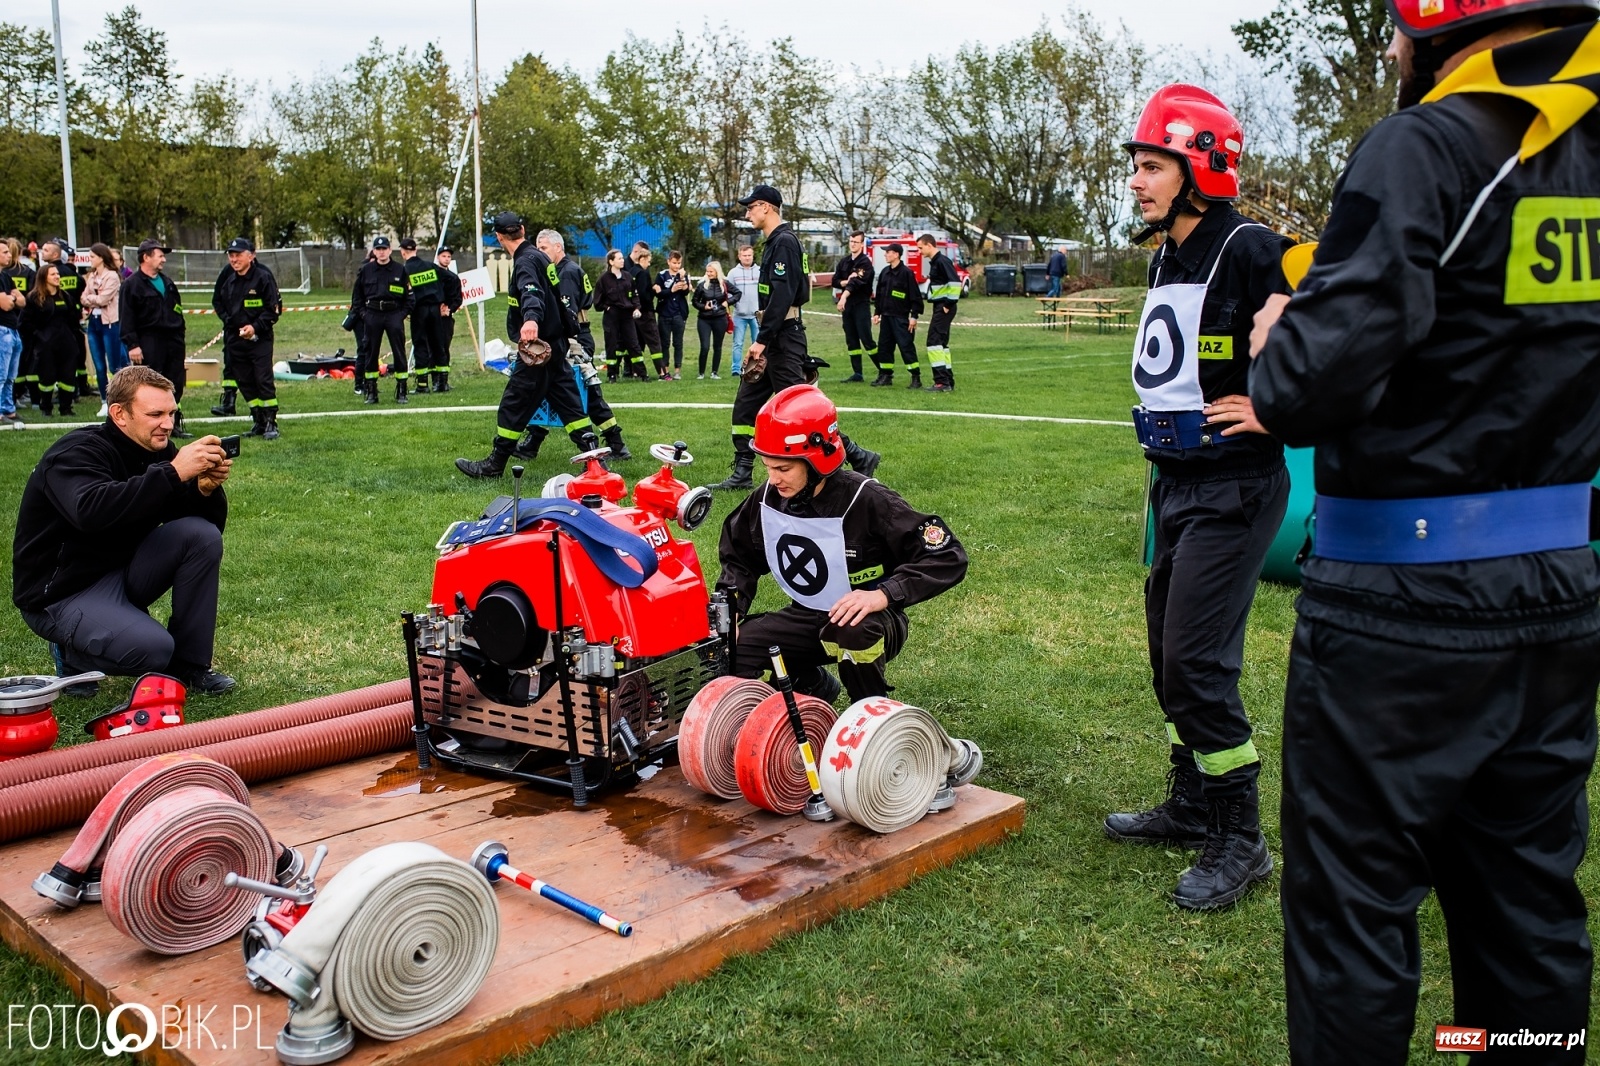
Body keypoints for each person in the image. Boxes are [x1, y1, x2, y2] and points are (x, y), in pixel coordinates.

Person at [1247, 3, 1600, 1059]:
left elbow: (1306, 389)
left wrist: (1279, 335)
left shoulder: (1429, 143)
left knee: (1354, 917)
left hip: (1400, 606)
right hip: (1556, 587)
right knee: (1526, 911)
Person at [1100, 84, 1293, 912]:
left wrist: (1277, 402)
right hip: (1174, 487)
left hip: (1234, 488)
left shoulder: (1251, 245)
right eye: (1137, 168)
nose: (1137, 183)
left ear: (1201, 169)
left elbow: (1345, 296)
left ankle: (1241, 841)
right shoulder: (1166, 253)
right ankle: (1190, 802)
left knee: (1196, 663)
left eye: (1151, 167)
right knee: (1165, 656)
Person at [715, 384, 967, 704]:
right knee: (730, 650)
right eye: (768, 467)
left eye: (783, 468)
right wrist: (730, 615)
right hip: (806, 616)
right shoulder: (766, 500)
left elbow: (947, 556)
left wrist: (882, 595)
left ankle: (871, 714)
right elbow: (739, 558)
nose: (774, 479)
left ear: (817, 460)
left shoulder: (869, 500)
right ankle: (812, 688)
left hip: (873, 620)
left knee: (852, 631)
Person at [12, 365, 236, 695]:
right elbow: (90, 512)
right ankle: (73, 653)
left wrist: (203, 490)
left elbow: (207, 526)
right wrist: (173, 474)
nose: (168, 424)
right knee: (155, 651)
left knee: (200, 536)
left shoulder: (158, 450)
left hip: (117, 571)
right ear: (119, 414)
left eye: (172, 413)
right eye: (155, 414)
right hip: (61, 593)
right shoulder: (75, 453)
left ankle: (191, 666)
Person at [708, 185, 880, 491]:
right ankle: (743, 471)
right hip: (776, 335)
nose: (748, 213)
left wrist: (762, 339)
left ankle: (857, 455)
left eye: (751, 207)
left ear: (767, 207)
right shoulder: (775, 242)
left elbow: (784, 295)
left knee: (802, 412)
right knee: (746, 405)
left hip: (783, 338)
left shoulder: (784, 242)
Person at [454, 212, 596, 479]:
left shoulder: (525, 262)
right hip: (556, 345)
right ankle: (594, 461)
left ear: (498, 236)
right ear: (522, 228)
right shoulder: (540, 256)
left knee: (513, 403)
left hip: (538, 347)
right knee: (569, 404)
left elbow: (532, 292)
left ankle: (494, 465)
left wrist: (530, 321)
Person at [518, 228, 632, 462]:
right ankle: (533, 442)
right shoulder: (558, 270)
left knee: (585, 393)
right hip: (569, 337)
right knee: (551, 390)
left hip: (574, 339)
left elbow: (566, 312)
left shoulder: (566, 273)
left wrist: (566, 344)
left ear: (558, 248)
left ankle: (616, 443)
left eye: (544, 248)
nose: (540, 253)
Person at [210, 237, 283, 440]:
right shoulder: (229, 280)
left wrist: (254, 327)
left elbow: (273, 310)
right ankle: (257, 419)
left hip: (260, 338)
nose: (234, 259)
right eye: (231, 256)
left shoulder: (262, 277)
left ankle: (271, 421)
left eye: (238, 255)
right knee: (244, 380)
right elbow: (219, 303)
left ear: (250, 256)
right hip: (235, 339)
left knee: (263, 378)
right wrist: (229, 322)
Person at [119, 240, 192, 438]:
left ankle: (173, 423)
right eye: (160, 255)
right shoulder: (131, 285)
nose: (164, 260)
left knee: (175, 381)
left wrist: (180, 334)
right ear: (146, 257)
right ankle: (151, 424)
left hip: (173, 341)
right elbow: (127, 317)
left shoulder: (167, 282)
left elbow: (177, 310)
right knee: (152, 383)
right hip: (149, 340)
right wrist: (133, 344)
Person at [348, 236, 413, 404]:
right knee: (370, 353)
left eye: (384, 249)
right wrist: (364, 314)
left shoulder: (400, 270)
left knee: (399, 352)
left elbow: (410, 297)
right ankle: (371, 390)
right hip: (372, 314)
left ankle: (402, 390)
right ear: (374, 252)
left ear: (390, 251)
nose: (382, 252)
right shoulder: (366, 270)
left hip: (394, 314)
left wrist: (401, 315)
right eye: (378, 249)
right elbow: (357, 298)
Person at [22, 265, 83, 417]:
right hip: (45, 345)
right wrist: (39, 336)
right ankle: (46, 408)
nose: (57, 276)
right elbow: (24, 323)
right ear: (44, 278)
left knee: (68, 376)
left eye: (57, 274)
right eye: (53, 274)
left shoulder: (65, 296)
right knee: (47, 377)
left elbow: (73, 319)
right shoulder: (34, 298)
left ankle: (66, 408)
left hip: (66, 343)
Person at [38, 238, 89, 398]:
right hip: (74, 323)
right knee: (77, 357)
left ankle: (59, 395)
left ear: (55, 254)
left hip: (56, 327)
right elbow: (82, 288)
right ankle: (81, 387)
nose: (42, 253)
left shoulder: (46, 275)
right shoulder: (73, 274)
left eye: (45, 250)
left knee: (60, 361)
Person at [79, 244, 125, 417]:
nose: (90, 260)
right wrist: (92, 299)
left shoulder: (112, 276)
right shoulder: (92, 276)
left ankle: (120, 398)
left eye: (92, 256)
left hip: (110, 324)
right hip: (94, 322)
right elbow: (84, 297)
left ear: (101, 257)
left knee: (114, 364)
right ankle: (105, 402)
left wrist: (91, 299)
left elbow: (104, 299)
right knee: (99, 365)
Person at [400, 238, 446, 394]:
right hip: (435, 309)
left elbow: (403, 293)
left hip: (418, 310)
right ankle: (442, 383)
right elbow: (451, 279)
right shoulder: (430, 266)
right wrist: (448, 303)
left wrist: (404, 310)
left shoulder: (404, 270)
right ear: (416, 250)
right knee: (437, 343)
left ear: (402, 252)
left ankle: (422, 385)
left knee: (420, 344)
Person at [871, 244, 922, 387]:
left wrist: (914, 316)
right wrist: (877, 312)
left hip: (900, 318)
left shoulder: (906, 273)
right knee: (884, 347)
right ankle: (886, 376)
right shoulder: (884, 272)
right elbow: (880, 295)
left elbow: (915, 297)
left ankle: (915, 377)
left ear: (897, 255)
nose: (885, 255)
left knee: (906, 347)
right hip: (886, 317)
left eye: (888, 252)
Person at [916, 234, 961, 392]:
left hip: (944, 306)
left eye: (921, 247)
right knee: (941, 344)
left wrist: (948, 304)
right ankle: (948, 380)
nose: (919, 251)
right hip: (940, 305)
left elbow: (955, 283)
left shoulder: (942, 261)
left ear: (929, 245)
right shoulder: (936, 262)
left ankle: (941, 382)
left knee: (933, 342)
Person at [832, 231, 876, 383]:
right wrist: (845, 282)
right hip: (848, 307)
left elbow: (856, 283)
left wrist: (843, 295)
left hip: (860, 305)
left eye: (856, 242)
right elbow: (835, 281)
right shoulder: (844, 262)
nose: (852, 244)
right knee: (851, 339)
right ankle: (857, 373)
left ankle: (884, 370)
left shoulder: (865, 263)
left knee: (866, 339)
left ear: (862, 244)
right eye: (851, 241)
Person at [595, 249, 641, 384]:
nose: (622, 261)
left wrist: (636, 308)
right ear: (611, 262)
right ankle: (612, 374)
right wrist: (607, 308)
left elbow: (635, 295)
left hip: (627, 315)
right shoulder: (603, 279)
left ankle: (642, 374)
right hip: (611, 316)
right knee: (612, 344)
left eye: (622, 258)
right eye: (619, 259)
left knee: (633, 343)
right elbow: (597, 301)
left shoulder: (627, 277)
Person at [625, 243, 666, 381]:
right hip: (646, 313)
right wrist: (654, 291)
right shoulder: (642, 274)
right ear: (642, 259)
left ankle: (635, 371)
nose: (649, 264)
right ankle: (662, 372)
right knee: (654, 342)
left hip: (633, 313)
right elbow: (644, 295)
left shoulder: (630, 272)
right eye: (648, 261)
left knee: (638, 343)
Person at [693, 259, 739, 379]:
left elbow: (738, 293)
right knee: (705, 346)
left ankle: (714, 372)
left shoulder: (724, 283)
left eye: (711, 272)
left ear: (717, 272)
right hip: (704, 319)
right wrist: (704, 307)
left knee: (717, 346)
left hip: (720, 318)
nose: (708, 274)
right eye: (707, 271)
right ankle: (701, 373)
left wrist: (727, 302)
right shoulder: (702, 284)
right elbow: (694, 301)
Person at [0, 239, 26, 427]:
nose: (9, 255)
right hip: (2, 330)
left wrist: (12, 297)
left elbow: (22, 301)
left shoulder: (6, 277)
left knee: (10, 375)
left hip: (13, 330)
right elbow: (7, 303)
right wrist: (12, 298)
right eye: (4, 252)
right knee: (1, 374)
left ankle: (8, 409)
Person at [654, 250, 691, 379]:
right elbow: (658, 293)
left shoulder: (682, 274)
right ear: (668, 261)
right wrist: (671, 290)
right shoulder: (662, 275)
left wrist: (685, 285)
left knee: (678, 343)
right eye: (674, 263)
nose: (676, 266)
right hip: (664, 314)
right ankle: (665, 370)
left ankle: (677, 371)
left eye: (679, 263)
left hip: (679, 314)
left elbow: (685, 293)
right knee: (664, 343)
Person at [727, 242, 760, 377]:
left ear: (753, 256)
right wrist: (733, 305)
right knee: (738, 343)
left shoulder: (760, 271)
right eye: (744, 255)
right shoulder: (733, 273)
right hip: (739, 315)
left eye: (749, 255)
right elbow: (728, 292)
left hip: (756, 314)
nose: (747, 258)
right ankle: (736, 369)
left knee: (757, 343)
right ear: (739, 257)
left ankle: (757, 367)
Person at [432, 246, 462, 392]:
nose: (446, 259)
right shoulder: (432, 275)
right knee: (430, 348)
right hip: (431, 317)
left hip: (446, 319)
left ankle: (443, 381)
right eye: (444, 256)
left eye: (449, 257)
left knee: (444, 348)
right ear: (438, 257)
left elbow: (458, 299)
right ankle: (432, 380)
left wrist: (449, 309)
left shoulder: (454, 278)